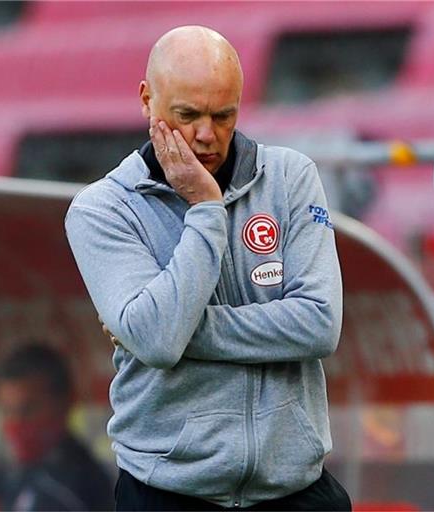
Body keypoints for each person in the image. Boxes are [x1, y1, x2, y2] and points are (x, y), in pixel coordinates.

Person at [64, 26, 350, 511]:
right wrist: (206, 211)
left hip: (298, 488)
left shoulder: (290, 176)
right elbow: (156, 339)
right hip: (170, 490)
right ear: (146, 99)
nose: (206, 134)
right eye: (187, 115)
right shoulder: (102, 209)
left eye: (224, 115)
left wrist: (178, 332)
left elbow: (320, 324)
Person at [0, 343, 114, 511]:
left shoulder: (78, 487)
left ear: (65, 403)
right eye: (7, 411)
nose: (15, 423)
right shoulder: (19, 475)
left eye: (27, 410)